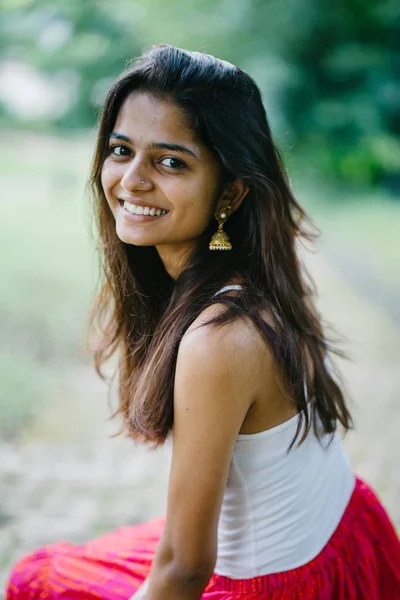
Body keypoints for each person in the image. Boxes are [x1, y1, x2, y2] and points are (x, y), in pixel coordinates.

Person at [6, 44, 400, 600]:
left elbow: (186, 569)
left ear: (230, 191)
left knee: (38, 581)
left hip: (283, 584)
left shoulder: (220, 337)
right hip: (347, 529)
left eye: (171, 161)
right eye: (121, 150)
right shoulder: (258, 272)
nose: (132, 180)